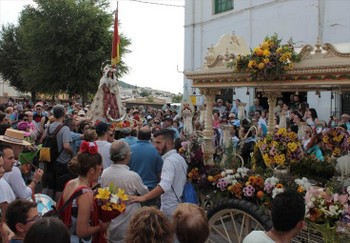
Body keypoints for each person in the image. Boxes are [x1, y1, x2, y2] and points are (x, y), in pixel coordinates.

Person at [58, 141, 110, 243]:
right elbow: (82, 232)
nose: (101, 169)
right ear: (91, 170)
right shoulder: (86, 194)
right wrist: (102, 226)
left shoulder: (71, 183)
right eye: (100, 165)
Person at [130, 129, 187, 218]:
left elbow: (164, 185)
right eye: (154, 142)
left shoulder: (169, 161)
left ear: (168, 143)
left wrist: (143, 197)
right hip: (178, 205)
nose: (155, 146)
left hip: (170, 209)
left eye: (158, 143)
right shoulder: (179, 158)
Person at [101, 140, 149, 243]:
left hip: (112, 221)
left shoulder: (105, 173)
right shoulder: (132, 176)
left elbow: (105, 195)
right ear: (126, 155)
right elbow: (145, 193)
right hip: (129, 223)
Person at [39, 104, 74, 202]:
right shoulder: (65, 128)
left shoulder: (49, 126)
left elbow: (42, 140)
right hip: (61, 161)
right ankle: (57, 208)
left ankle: (49, 206)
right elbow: (66, 146)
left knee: (51, 185)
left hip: (49, 160)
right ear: (64, 114)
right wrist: (72, 154)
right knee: (60, 186)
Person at [129, 126, 163, 195]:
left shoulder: (129, 149)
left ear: (138, 135)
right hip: (151, 189)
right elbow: (159, 172)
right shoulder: (155, 151)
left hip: (133, 187)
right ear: (150, 136)